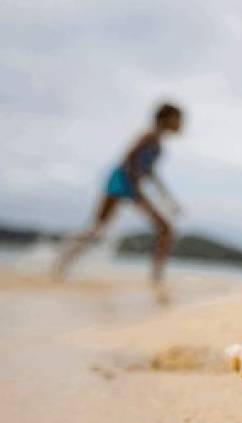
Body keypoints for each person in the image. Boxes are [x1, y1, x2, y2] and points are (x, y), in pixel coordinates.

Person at [54, 102, 184, 300]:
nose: (181, 124)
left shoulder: (158, 144)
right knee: (99, 230)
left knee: (162, 229)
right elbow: (128, 159)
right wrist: (137, 190)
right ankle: (62, 263)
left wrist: (167, 197)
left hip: (131, 185)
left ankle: (62, 263)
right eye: (178, 118)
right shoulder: (148, 136)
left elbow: (149, 172)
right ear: (166, 118)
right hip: (121, 181)